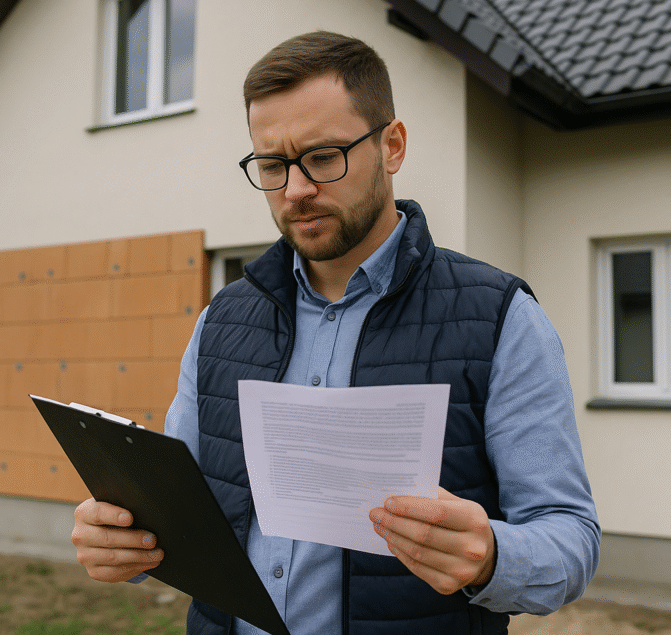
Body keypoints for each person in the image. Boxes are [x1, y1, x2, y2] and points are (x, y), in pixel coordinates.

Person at [71, 31, 599, 635]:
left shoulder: (500, 317)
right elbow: (182, 514)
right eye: (272, 165)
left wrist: (492, 558)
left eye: (323, 157)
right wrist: (123, 539)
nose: (295, 190)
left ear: (392, 146)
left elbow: (569, 540)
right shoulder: (221, 321)